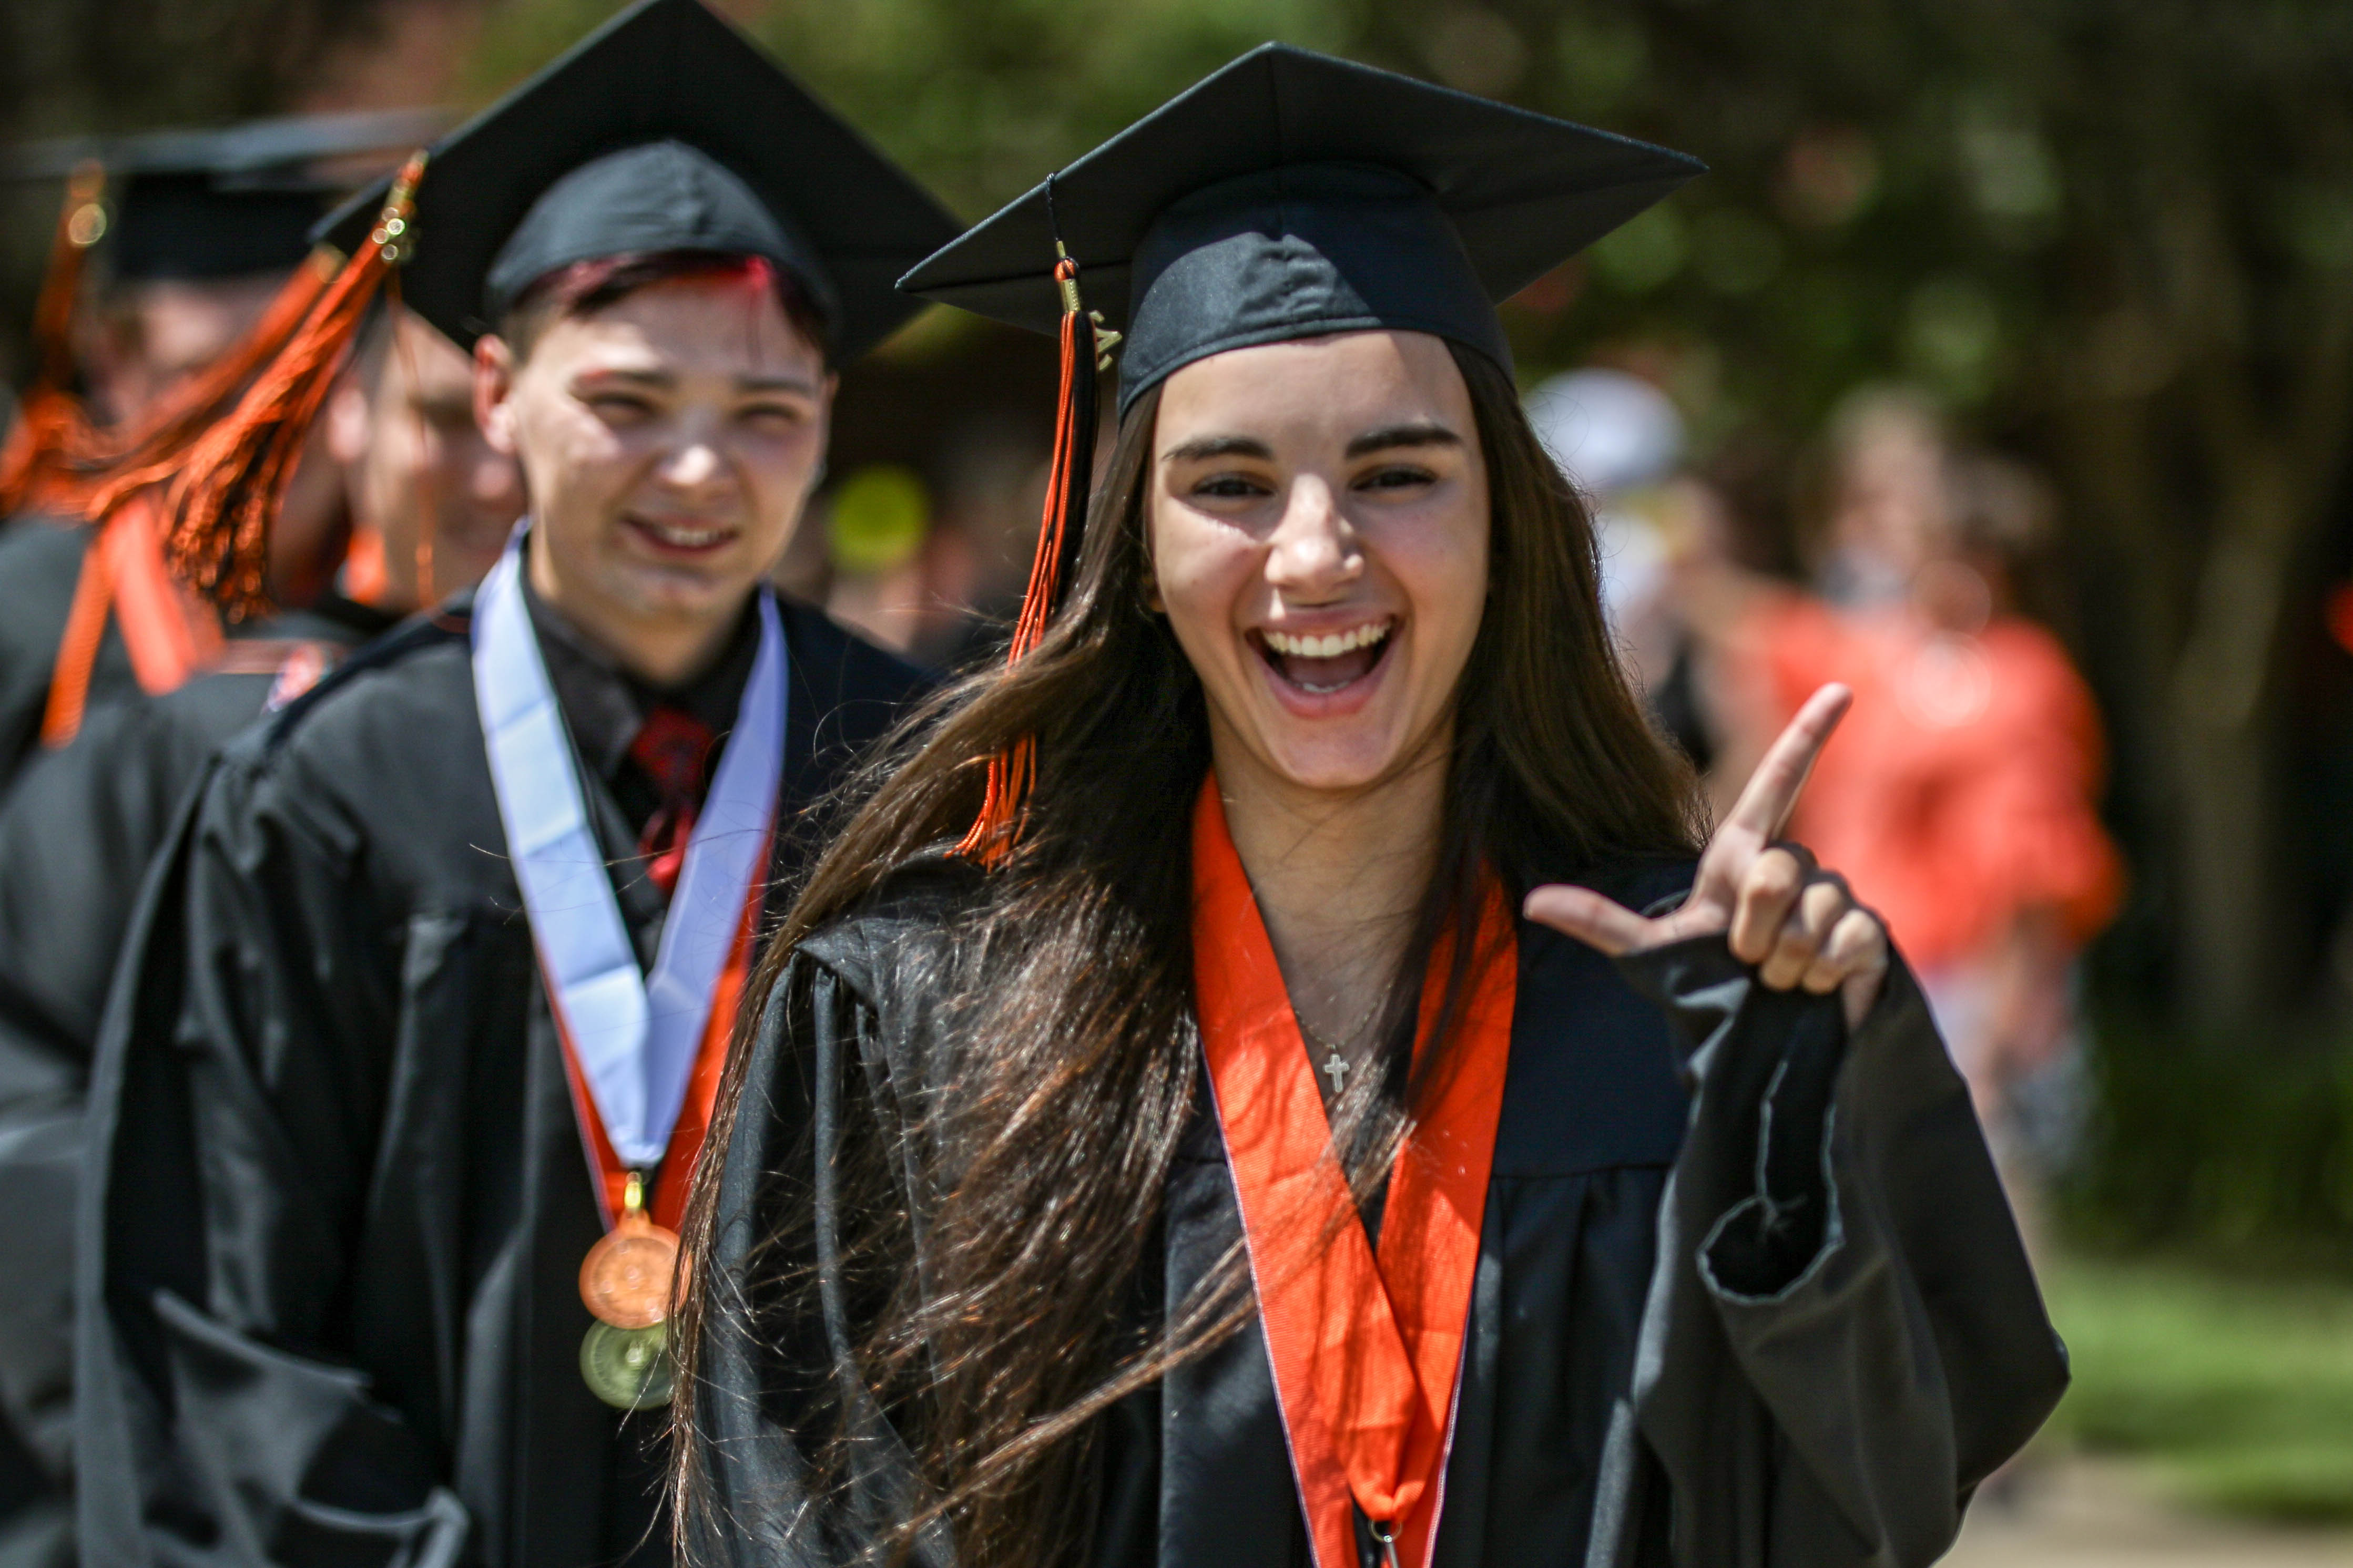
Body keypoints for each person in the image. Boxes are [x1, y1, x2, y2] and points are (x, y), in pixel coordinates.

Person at [676, 44, 2067, 1568]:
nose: (1315, 553)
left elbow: (1860, 1507)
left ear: (1505, 523)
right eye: (1229, 485)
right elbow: (802, 1514)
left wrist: (1778, 1095)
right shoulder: (926, 1013)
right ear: (1131, 547)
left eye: (1397, 472)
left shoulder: (1680, 1004)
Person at [75, 3, 956, 1564]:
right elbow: (219, 1315)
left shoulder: (919, 771)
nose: (696, 472)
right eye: (625, 403)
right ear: (495, 397)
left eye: (762, 414)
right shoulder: (329, 795)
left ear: (824, 427)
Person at [0, 304, 523, 1553]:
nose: (495, 472)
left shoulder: (714, 769)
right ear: (345, 425)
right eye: (444, 418)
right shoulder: (219, 750)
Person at [0, 115, 434, 792]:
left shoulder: (437, 596)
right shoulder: (26, 617)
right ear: (114, 370)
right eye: (206, 384)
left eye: (293, 374)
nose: (256, 425)